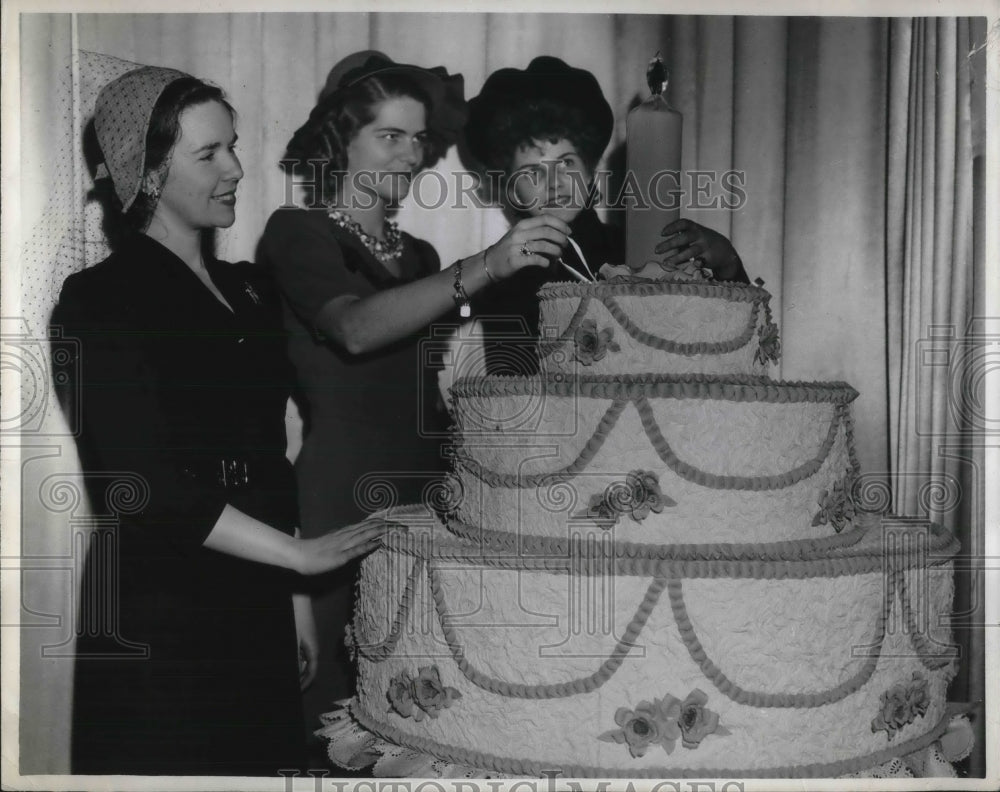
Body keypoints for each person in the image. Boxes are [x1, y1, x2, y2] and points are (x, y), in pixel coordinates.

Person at [53, 65, 383, 776]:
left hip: (256, 594)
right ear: (147, 176)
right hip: (159, 613)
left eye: (232, 145)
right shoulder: (99, 301)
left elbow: (269, 455)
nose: (236, 166)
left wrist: (293, 597)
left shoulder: (248, 294)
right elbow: (138, 485)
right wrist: (298, 558)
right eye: (209, 155)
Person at [259, 51, 571, 752]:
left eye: (419, 138)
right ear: (343, 140)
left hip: (424, 503)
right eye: (389, 135)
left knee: (412, 721)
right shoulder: (297, 231)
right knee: (330, 721)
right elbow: (356, 328)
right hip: (337, 505)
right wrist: (488, 265)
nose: (410, 154)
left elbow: (444, 386)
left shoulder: (424, 258)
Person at [463, 56, 751, 375]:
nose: (555, 183)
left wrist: (728, 263)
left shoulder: (641, 250)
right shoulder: (507, 282)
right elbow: (515, 402)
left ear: (590, 167)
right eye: (532, 173)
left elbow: (731, 348)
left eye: (567, 163)